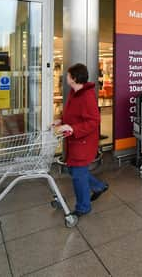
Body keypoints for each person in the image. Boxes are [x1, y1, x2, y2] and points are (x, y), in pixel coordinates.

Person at [53, 64, 107, 217]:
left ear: (74, 78)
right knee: (74, 170)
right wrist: (61, 121)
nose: (66, 77)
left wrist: (73, 128)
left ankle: (83, 207)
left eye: (68, 75)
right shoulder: (74, 92)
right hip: (74, 141)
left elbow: (94, 121)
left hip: (83, 142)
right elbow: (72, 114)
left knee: (78, 174)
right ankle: (98, 186)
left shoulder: (86, 96)